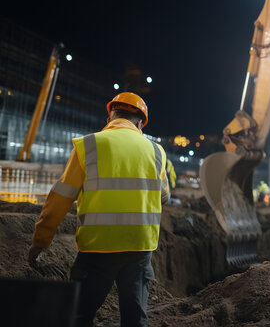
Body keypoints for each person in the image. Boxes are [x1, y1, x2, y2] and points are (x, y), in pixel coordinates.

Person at [28, 92, 170, 327]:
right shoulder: (156, 151)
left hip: (97, 248)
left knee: (78, 316)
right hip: (140, 246)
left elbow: (59, 199)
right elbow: (164, 196)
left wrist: (40, 241)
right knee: (135, 320)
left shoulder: (88, 146)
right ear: (140, 123)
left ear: (110, 118)